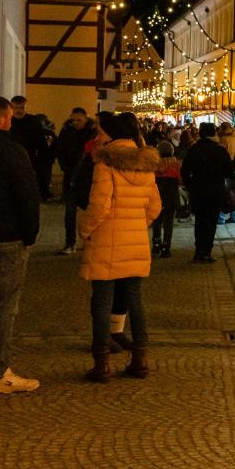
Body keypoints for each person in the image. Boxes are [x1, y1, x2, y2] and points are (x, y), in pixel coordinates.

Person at [78, 112, 162, 382]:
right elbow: (155, 207)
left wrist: (85, 229)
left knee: (101, 301)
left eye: (101, 133)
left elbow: (99, 206)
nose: (98, 137)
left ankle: (101, 363)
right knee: (135, 300)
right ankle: (140, 360)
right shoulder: (145, 164)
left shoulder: (105, 162)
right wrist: (138, 224)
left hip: (106, 240)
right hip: (136, 240)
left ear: (112, 134)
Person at [0, 95, 41, 394]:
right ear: (1, 119)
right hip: (6, 239)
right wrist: (29, 235)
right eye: (10, 116)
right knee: (3, 307)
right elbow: (27, 197)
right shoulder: (12, 152)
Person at [180, 122, 234, 263]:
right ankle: (207, 252)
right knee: (211, 222)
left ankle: (199, 251)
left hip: (198, 191)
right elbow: (229, 172)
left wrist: (191, 186)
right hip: (215, 191)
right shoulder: (220, 151)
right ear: (213, 134)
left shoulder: (194, 149)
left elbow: (185, 171)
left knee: (200, 221)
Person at [57, 107, 96, 255]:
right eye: (73, 120)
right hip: (71, 177)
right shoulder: (67, 132)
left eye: (79, 120)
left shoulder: (92, 134)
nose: (75, 123)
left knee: (89, 212)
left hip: (87, 178)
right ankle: (70, 243)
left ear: (86, 119)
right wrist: (65, 166)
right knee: (70, 213)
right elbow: (60, 149)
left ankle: (88, 240)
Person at [9, 96, 46, 197]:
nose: (19, 110)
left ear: (26, 107)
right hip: (11, 157)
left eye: (21, 108)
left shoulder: (34, 122)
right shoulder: (7, 120)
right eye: (16, 107)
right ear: (11, 108)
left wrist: (40, 160)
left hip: (29, 157)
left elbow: (41, 142)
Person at [152, 140, 181, 258]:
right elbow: (181, 180)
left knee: (156, 222)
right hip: (171, 197)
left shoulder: (153, 166)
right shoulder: (176, 166)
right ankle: (166, 247)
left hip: (156, 197)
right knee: (168, 223)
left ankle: (156, 246)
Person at [217, 122, 235, 225]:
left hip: (227, 168)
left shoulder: (223, 140)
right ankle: (234, 216)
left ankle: (221, 217)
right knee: (234, 192)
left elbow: (220, 155)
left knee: (226, 192)